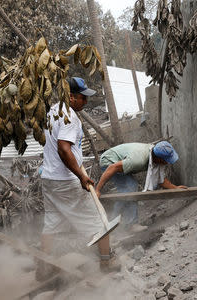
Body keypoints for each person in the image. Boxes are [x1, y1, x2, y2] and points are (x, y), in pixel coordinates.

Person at [39, 77, 117, 277]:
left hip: (48, 178)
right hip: (65, 181)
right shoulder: (70, 116)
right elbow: (64, 149)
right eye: (83, 98)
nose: (86, 102)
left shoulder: (53, 111)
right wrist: (81, 177)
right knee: (99, 220)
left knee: (52, 222)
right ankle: (107, 263)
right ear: (71, 97)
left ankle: (43, 268)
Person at [95, 141, 187, 231]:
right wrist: (98, 189)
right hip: (108, 161)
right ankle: (119, 224)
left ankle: (122, 222)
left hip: (119, 160)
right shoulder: (139, 160)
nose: (167, 163)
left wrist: (175, 188)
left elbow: (160, 180)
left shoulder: (153, 155)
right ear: (159, 159)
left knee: (129, 189)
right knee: (130, 188)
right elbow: (112, 167)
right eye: (166, 161)